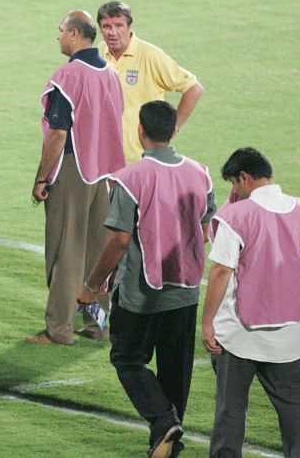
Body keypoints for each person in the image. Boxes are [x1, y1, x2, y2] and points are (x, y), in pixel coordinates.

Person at [78, 100, 215, 458]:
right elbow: (205, 232)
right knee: (175, 370)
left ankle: (163, 421)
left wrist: (91, 287)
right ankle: (169, 443)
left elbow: (120, 242)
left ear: (140, 131)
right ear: (173, 130)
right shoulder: (201, 174)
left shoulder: (130, 179)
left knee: (127, 358)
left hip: (141, 294)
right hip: (186, 291)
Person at [202, 147, 300, 457]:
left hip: (239, 334)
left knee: (231, 411)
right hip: (288, 334)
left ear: (244, 177)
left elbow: (220, 271)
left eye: (234, 183)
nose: (234, 192)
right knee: (295, 408)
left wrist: (207, 323)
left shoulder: (236, 216)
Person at [27, 10, 125, 346]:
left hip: (73, 170)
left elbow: (57, 134)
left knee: (66, 250)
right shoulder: (110, 73)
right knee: (99, 251)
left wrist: (41, 179)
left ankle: (59, 330)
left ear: (74, 34)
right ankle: (98, 326)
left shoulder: (68, 75)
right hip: (106, 175)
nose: (58, 36)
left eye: (61, 30)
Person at [96, 1, 204, 166]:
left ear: (130, 26)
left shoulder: (150, 55)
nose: (113, 32)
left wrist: (174, 126)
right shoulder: (99, 53)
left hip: (141, 160)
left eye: (119, 25)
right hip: (103, 158)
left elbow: (193, 88)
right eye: (106, 26)